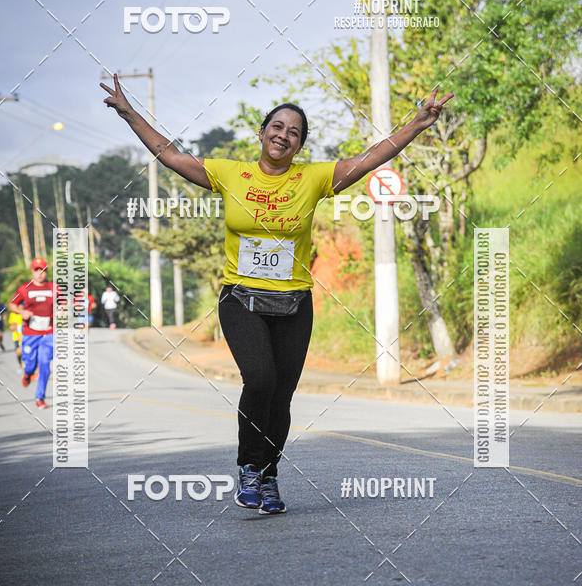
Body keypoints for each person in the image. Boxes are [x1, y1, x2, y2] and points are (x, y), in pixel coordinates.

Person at [101, 73, 452, 514]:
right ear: (261, 133)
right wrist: (129, 111)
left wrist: (417, 125)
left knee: (281, 397)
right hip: (240, 299)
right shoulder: (230, 173)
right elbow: (170, 155)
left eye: (294, 132)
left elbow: (370, 158)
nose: (283, 135)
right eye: (277, 127)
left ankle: (269, 476)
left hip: (293, 303)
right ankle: (249, 467)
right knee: (260, 380)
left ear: (300, 146)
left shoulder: (313, 178)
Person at [9, 257, 56, 410]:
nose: (40, 274)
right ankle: (28, 374)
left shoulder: (53, 287)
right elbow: (12, 304)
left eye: (43, 270)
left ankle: (40, 397)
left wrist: (62, 309)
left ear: (46, 272)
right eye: (37, 270)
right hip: (31, 333)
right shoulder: (24, 288)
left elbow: (62, 302)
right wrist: (22, 311)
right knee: (29, 365)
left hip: (49, 333)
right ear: (32, 271)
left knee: (44, 364)